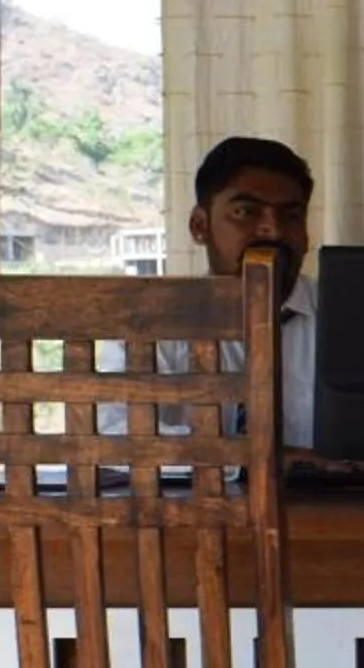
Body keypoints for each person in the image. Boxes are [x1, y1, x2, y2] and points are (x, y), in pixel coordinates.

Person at [103, 136, 321, 450]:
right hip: (188, 486)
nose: (273, 230)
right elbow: (112, 434)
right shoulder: (149, 325)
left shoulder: (351, 318)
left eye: (291, 216)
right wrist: (239, 459)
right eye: (246, 212)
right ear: (199, 226)